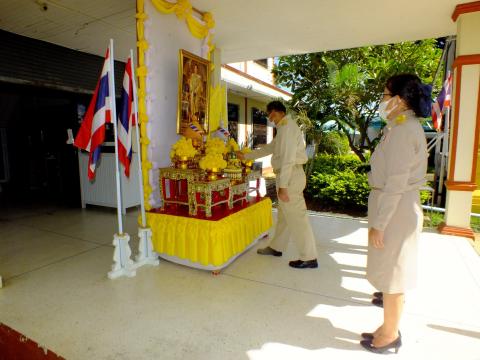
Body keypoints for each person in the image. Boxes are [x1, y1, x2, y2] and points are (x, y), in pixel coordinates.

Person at [360, 74, 431, 354]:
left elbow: (396, 183)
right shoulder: (401, 126)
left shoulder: (403, 131)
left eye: (385, 95)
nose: (382, 100)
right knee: (390, 271)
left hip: (396, 208)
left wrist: (379, 223)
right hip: (396, 205)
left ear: (399, 101)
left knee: (393, 276)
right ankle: (387, 327)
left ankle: (390, 335)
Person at [236, 101, 318, 269]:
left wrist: (283, 187)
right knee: (284, 217)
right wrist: (246, 156)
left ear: (281, 112)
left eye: (272, 114)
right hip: (288, 176)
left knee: (297, 218)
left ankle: (309, 257)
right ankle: (276, 247)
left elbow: (288, 159)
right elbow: (268, 149)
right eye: (269, 115)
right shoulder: (283, 129)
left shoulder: (288, 128)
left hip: (290, 178)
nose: (270, 118)